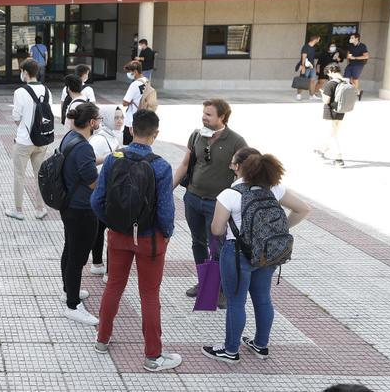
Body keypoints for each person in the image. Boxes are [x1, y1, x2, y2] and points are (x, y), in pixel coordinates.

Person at [93, 109, 182, 372]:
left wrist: (111, 223)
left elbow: (96, 201)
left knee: (114, 287)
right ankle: (152, 356)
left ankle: (102, 339)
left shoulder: (113, 159)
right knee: (150, 294)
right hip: (149, 240)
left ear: (131, 130)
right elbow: (166, 210)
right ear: (155, 135)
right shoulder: (161, 166)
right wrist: (166, 233)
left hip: (118, 235)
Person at [202, 148, 310, 363]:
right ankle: (261, 344)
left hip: (237, 254)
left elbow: (216, 230)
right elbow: (303, 209)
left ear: (240, 168)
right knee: (262, 300)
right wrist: (278, 231)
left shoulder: (230, 195)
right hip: (267, 254)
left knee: (236, 302)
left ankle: (230, 350)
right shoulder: (276, 189)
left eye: (233, 163)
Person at [172, 99, 247, 303]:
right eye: (203, 113)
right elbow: (185, 164)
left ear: (222, 117)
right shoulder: (197, 135)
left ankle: (221, 288)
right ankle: (205, 282)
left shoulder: (236, 141)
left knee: (218, 246)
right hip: (193, 198)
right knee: (198, 242)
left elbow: (243, 173)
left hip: (218, 204)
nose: (203, 117)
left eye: (209, 114)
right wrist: (167, 189)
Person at [56, 103, 100, 326]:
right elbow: (93, 182)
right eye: (98, 119)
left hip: (68, 205)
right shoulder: (84, 147)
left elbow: (80, 167)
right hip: (82, 209)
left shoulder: (69, 137)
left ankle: (68, 290)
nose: (100, 123)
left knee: (70, 248)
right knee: (77, 257)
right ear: (91, 122)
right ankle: (73, 305)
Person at [5, 60, 50, 221]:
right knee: (40, 175)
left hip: (24, 141)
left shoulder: (20, 92)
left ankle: (18, 210)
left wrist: (24, 127)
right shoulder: (47, 90)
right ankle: (40, 208)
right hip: (42, 141)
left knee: (19, 175)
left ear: (24, 72)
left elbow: (16, 116)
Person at [88, 106, 124, 279]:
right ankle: (105, 269)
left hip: (109, 189)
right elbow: (89, 161)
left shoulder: (114, 136)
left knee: (101, 228)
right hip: (104, 190)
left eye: (121, 117)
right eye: (115, 117)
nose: (119, 120)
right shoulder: (99, 139)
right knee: (107, 230)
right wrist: (110, 156)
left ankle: (99, 265)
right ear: (108, 118)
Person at [315, 65, 348, 168]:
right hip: (341, 111)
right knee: (332, 133)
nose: (328, 76)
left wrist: (323, 94)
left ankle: (339, 159)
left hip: (330, 112)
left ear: (330, 71)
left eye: (328, 73)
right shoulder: (346, 82)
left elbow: (326, 101)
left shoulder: (331, 83)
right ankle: (322, 150)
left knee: (333, 135)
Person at [121, 61, 147, 146]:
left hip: (131, 120)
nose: (129, 74)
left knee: (128, 146)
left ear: (135, 71)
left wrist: (130, 101)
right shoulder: (146, 81)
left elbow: (125, 102)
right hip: (143, 117)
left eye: (130, 72)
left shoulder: (134, 84)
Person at [344, 33, 369, 99]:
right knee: (346, 78)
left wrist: (355, 58)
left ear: (356, 38)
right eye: (350, 38)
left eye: (352, 38)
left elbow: (366, 56)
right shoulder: (350, 46)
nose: (350, 39)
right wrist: (348, 56)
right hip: (351, 64)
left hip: (359, 64)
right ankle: (357, 92)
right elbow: (348, 55)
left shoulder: (362, 46)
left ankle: (355, 93)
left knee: (355, 78)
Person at [296, 35, 320, 101]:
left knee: (312, 81)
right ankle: (299, 95)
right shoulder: (306, 47)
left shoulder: (313, 48)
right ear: (315, 39)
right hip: (305, 67)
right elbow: (303, 58)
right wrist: (303, 67)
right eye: (318, 39)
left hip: (312, 67)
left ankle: (311, 95)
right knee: (302, 80)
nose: (319, 40)